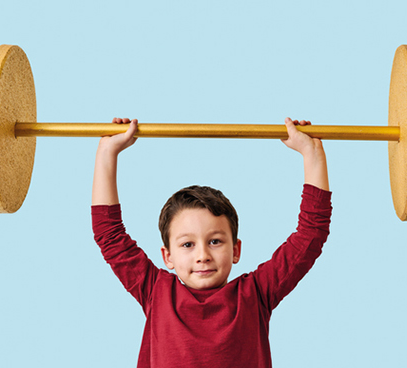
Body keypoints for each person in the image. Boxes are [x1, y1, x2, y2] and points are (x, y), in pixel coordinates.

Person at [92, 117, 331, 367]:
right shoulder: (156, 292)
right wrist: (107, 152)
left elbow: (310, 234)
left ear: (236, 250)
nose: (203, 255)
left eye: (215, 241)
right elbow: (109, 235)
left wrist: (312, 153)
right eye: (187, 244)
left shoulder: (256, 293)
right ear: (167, 256)